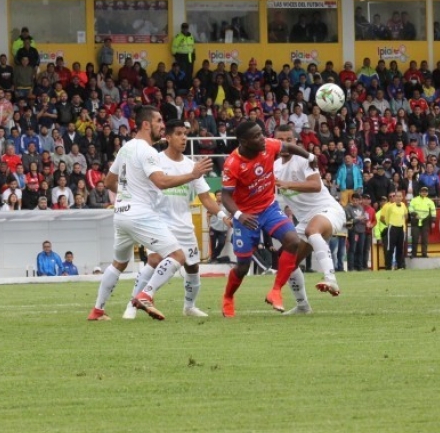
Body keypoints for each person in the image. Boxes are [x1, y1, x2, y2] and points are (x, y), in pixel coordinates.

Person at [88, 106, 212, 322]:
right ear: (146, 124)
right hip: (140, 214)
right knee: (177, 256)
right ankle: (145, 296)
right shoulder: (148, 151)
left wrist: (128, 194)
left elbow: (108, 182)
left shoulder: (125, 148)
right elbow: (161, 182)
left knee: (119, 263)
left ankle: (97, 310)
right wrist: (192, 174)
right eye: (158, 121)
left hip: (121, 214)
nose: (162, 126)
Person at [122, 119, 230, 319]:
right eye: (179, 134)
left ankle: (189, 307)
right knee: (155, 259)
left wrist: (223, 216)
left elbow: (206, 197)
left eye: (185, 134)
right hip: (159, 223)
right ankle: (133, 303)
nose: (184, 138)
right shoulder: (156, 161)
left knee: (192, 266)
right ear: (168, 137)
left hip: (184, 225)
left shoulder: (191, 166)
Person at [220, 121, 318, 317]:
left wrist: (310, 156)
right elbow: (226, 196)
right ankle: (228, 297)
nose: (262, 139)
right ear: (244, 141)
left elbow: (289, 147)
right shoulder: (233, 164)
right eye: (256, 136)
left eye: (261, 133)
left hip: (269, 207)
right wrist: (239, 214)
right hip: (246, 216)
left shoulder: (268, 145)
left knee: (292, 241)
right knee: (243, 266)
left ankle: (276, 291)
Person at [273, 124, 346, 299]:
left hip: (327, 210)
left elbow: (315, 185)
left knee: (311, 230)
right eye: (280, 140)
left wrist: (288, 184)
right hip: (305, 219)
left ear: (295, 142)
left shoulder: (304, 160)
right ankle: (302, 306)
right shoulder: (274, 166)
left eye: (288, 140)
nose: (284, 143)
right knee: (287, 263)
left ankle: (331, 278)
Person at [379, 191, 409, 270]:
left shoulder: (403, 205)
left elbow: (406, 215)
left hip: (401, 228)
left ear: (402, 197)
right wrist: (390, 224)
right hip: (392, 228)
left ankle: (400, 266)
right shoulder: (390, 206)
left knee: (400, 248)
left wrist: (401, 222)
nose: (398, 198)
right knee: (390, 248)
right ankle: (388, 267)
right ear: (395, 198)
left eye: (400, 196)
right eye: (397, 196)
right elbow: (386, 217)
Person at [408, 186, 436, 258]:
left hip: (425, 221)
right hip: (415, 221)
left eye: (425, 191)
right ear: (419, 192)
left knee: (425, 239)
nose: (424, 193)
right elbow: (410, 208)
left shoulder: (430, 201)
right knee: (415, 238)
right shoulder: (414, 200)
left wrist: (433, 221)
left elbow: (433, 211)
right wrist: (414, 214)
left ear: (427, 193)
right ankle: (414, 254)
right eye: (423, 191)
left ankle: (424, 253)